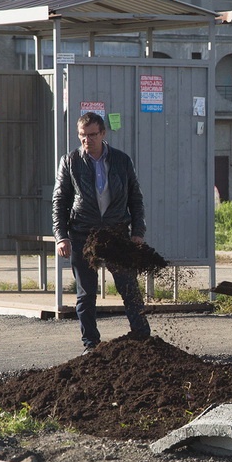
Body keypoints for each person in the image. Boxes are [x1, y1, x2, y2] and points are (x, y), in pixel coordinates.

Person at [52, 112, 151, 354]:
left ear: (103, 134)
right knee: (86, 293)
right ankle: (90, 345)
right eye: (82, 136)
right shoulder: (70, 162)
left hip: (117, 232)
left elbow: (135, 199)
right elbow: (59, 201)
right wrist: (61, 236)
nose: (87, 140)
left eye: (92, 135)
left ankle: (143, 337)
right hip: (83, 233)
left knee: (128, 286)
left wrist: (138, 231)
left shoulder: (121, 161)